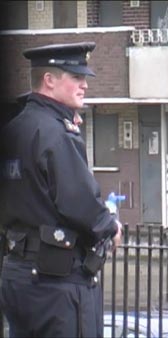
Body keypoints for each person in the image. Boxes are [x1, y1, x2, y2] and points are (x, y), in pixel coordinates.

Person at [0, 42, 122, 337]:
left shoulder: (14, 129)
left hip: (17, 274)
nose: (84, 85)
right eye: (75, 77)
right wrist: (110, 226)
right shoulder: (55, 132)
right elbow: (79, 202)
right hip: (57, 282)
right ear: (49, 80)